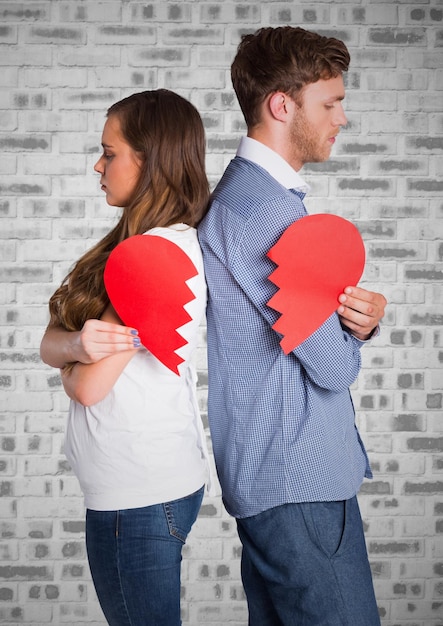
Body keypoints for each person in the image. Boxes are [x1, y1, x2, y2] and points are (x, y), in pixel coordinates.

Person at [198, 26, 387, 625]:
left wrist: (357, 323)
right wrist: (351, 339)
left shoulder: (254, 199)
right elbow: (332, 365)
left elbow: (305, 331)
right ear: (282, 105)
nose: (342, 118)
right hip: (299, 481)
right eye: (330, 103)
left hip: (279, 479)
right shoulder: (262, 211)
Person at [40, 89, 211, 626]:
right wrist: (73, 350)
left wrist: (70, 361)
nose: (98, 164)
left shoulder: (154, 256)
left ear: (150, 158)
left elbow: (87, 387)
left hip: (136, 496)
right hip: (142, 487)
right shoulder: (140, 244)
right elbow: (52, 341)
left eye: (109, 153)